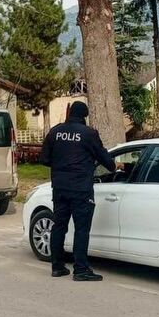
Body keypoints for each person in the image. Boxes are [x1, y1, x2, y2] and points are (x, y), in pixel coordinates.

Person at [39, 101, 120, 281]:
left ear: (70, 113)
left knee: (59, 225)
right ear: (85, 115)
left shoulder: (55, 132)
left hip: (59, 187)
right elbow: (103, 157)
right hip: (81, 189)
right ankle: (81, 269)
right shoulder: (88, 134)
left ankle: (57, 266)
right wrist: (114, 166)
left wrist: (61, 165)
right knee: (81, 229)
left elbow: (44, 159)